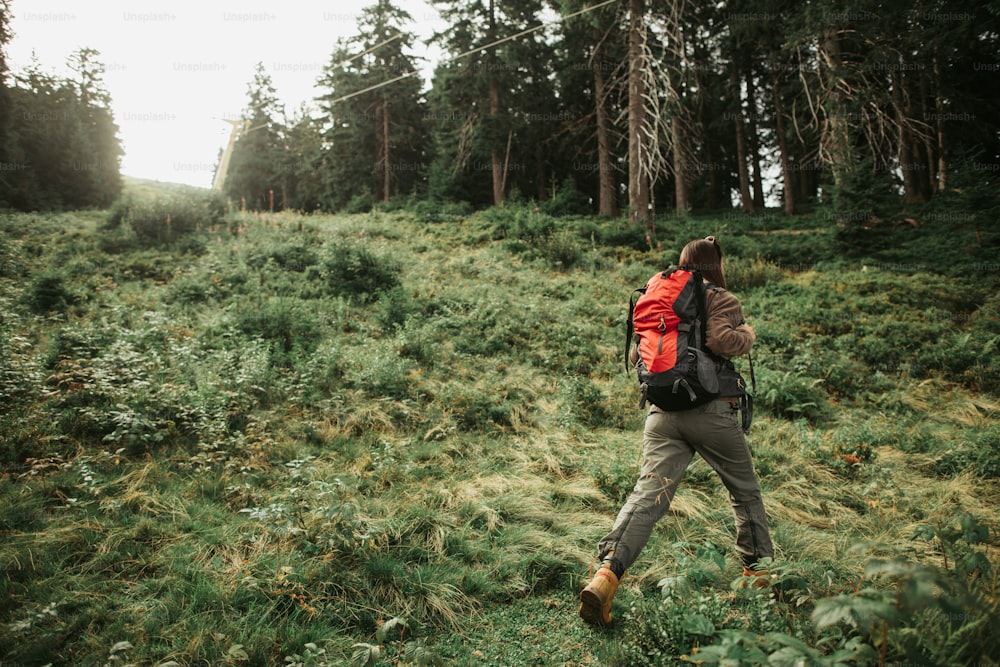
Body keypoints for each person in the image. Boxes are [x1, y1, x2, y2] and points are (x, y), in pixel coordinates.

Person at [579, 236, 774, 627]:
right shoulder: (720, 298)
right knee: (744, 491)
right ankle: (759, 578)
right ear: (714, 265)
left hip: (662, 411)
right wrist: (748, 334)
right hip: (711, 412)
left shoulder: (659, 296)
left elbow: (638, 355)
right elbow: (723, 340)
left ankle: (605, 576)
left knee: (647, 496)